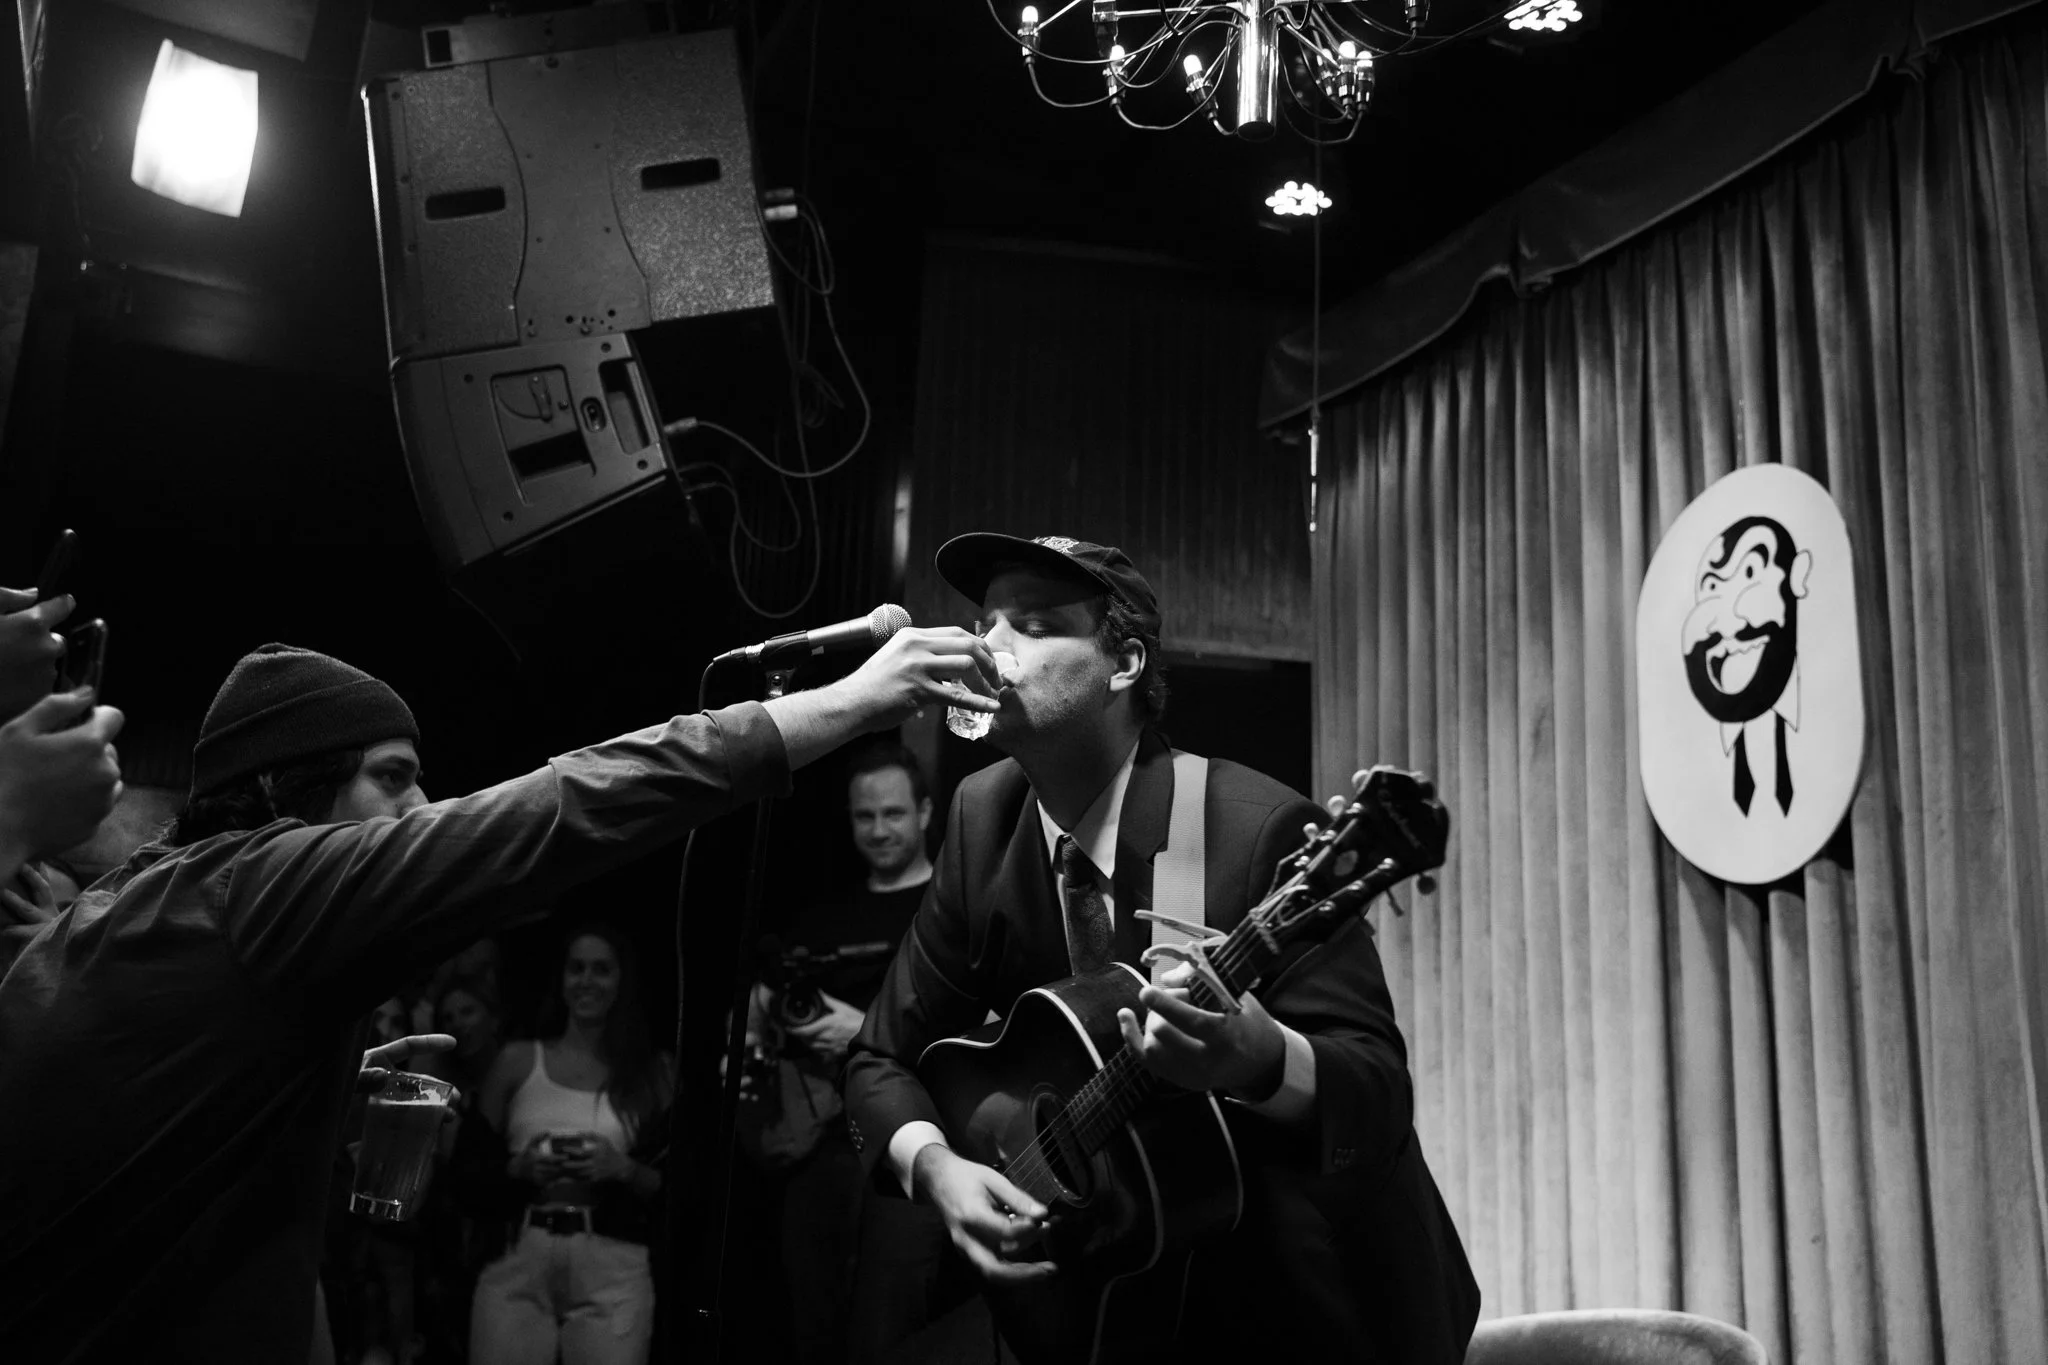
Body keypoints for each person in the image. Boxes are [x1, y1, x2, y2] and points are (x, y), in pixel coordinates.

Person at [0, 628, 1002, 1364]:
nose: (418, 812)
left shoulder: (155, 909)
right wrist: (855, 701)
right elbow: (563, 808)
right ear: (281, 797)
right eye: (391, 779)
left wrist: (329, 1087)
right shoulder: (256, 882)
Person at [844, 533, 1480, 1364]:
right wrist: (938, 1170)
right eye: (983, 620)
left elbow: (1377, 1092)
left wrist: (1261, 1058)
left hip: (1301, 1307)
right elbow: (876, 1058)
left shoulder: (1254, 828)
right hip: (1117, 1295)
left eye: (1030, 625)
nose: (984, 647)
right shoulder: (979, 816)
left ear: (1125, 664)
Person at [742, 742, 956, 1364]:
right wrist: (754, 1058)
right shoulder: (820, 919)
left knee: (894, 1330)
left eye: (893, 814)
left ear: (924, 812)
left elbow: (980, 1031)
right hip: (819, 1151)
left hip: (913, 1148)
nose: (880, 830)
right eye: (866, 817)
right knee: (813, 1325)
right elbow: (761, 1007)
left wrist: (860, 1032)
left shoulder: (949, 907)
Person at [466, 923, 668, 1364]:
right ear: (560, 979)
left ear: (622, 980)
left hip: (612, 1261)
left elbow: (683, 1188)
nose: (587, 981)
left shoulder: (651, 1073)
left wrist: (621, 1168)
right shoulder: (518, 1060)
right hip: (519, 1251)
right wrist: (518, 1169)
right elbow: (464, 1168)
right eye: (576, 969)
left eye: (601, 970)